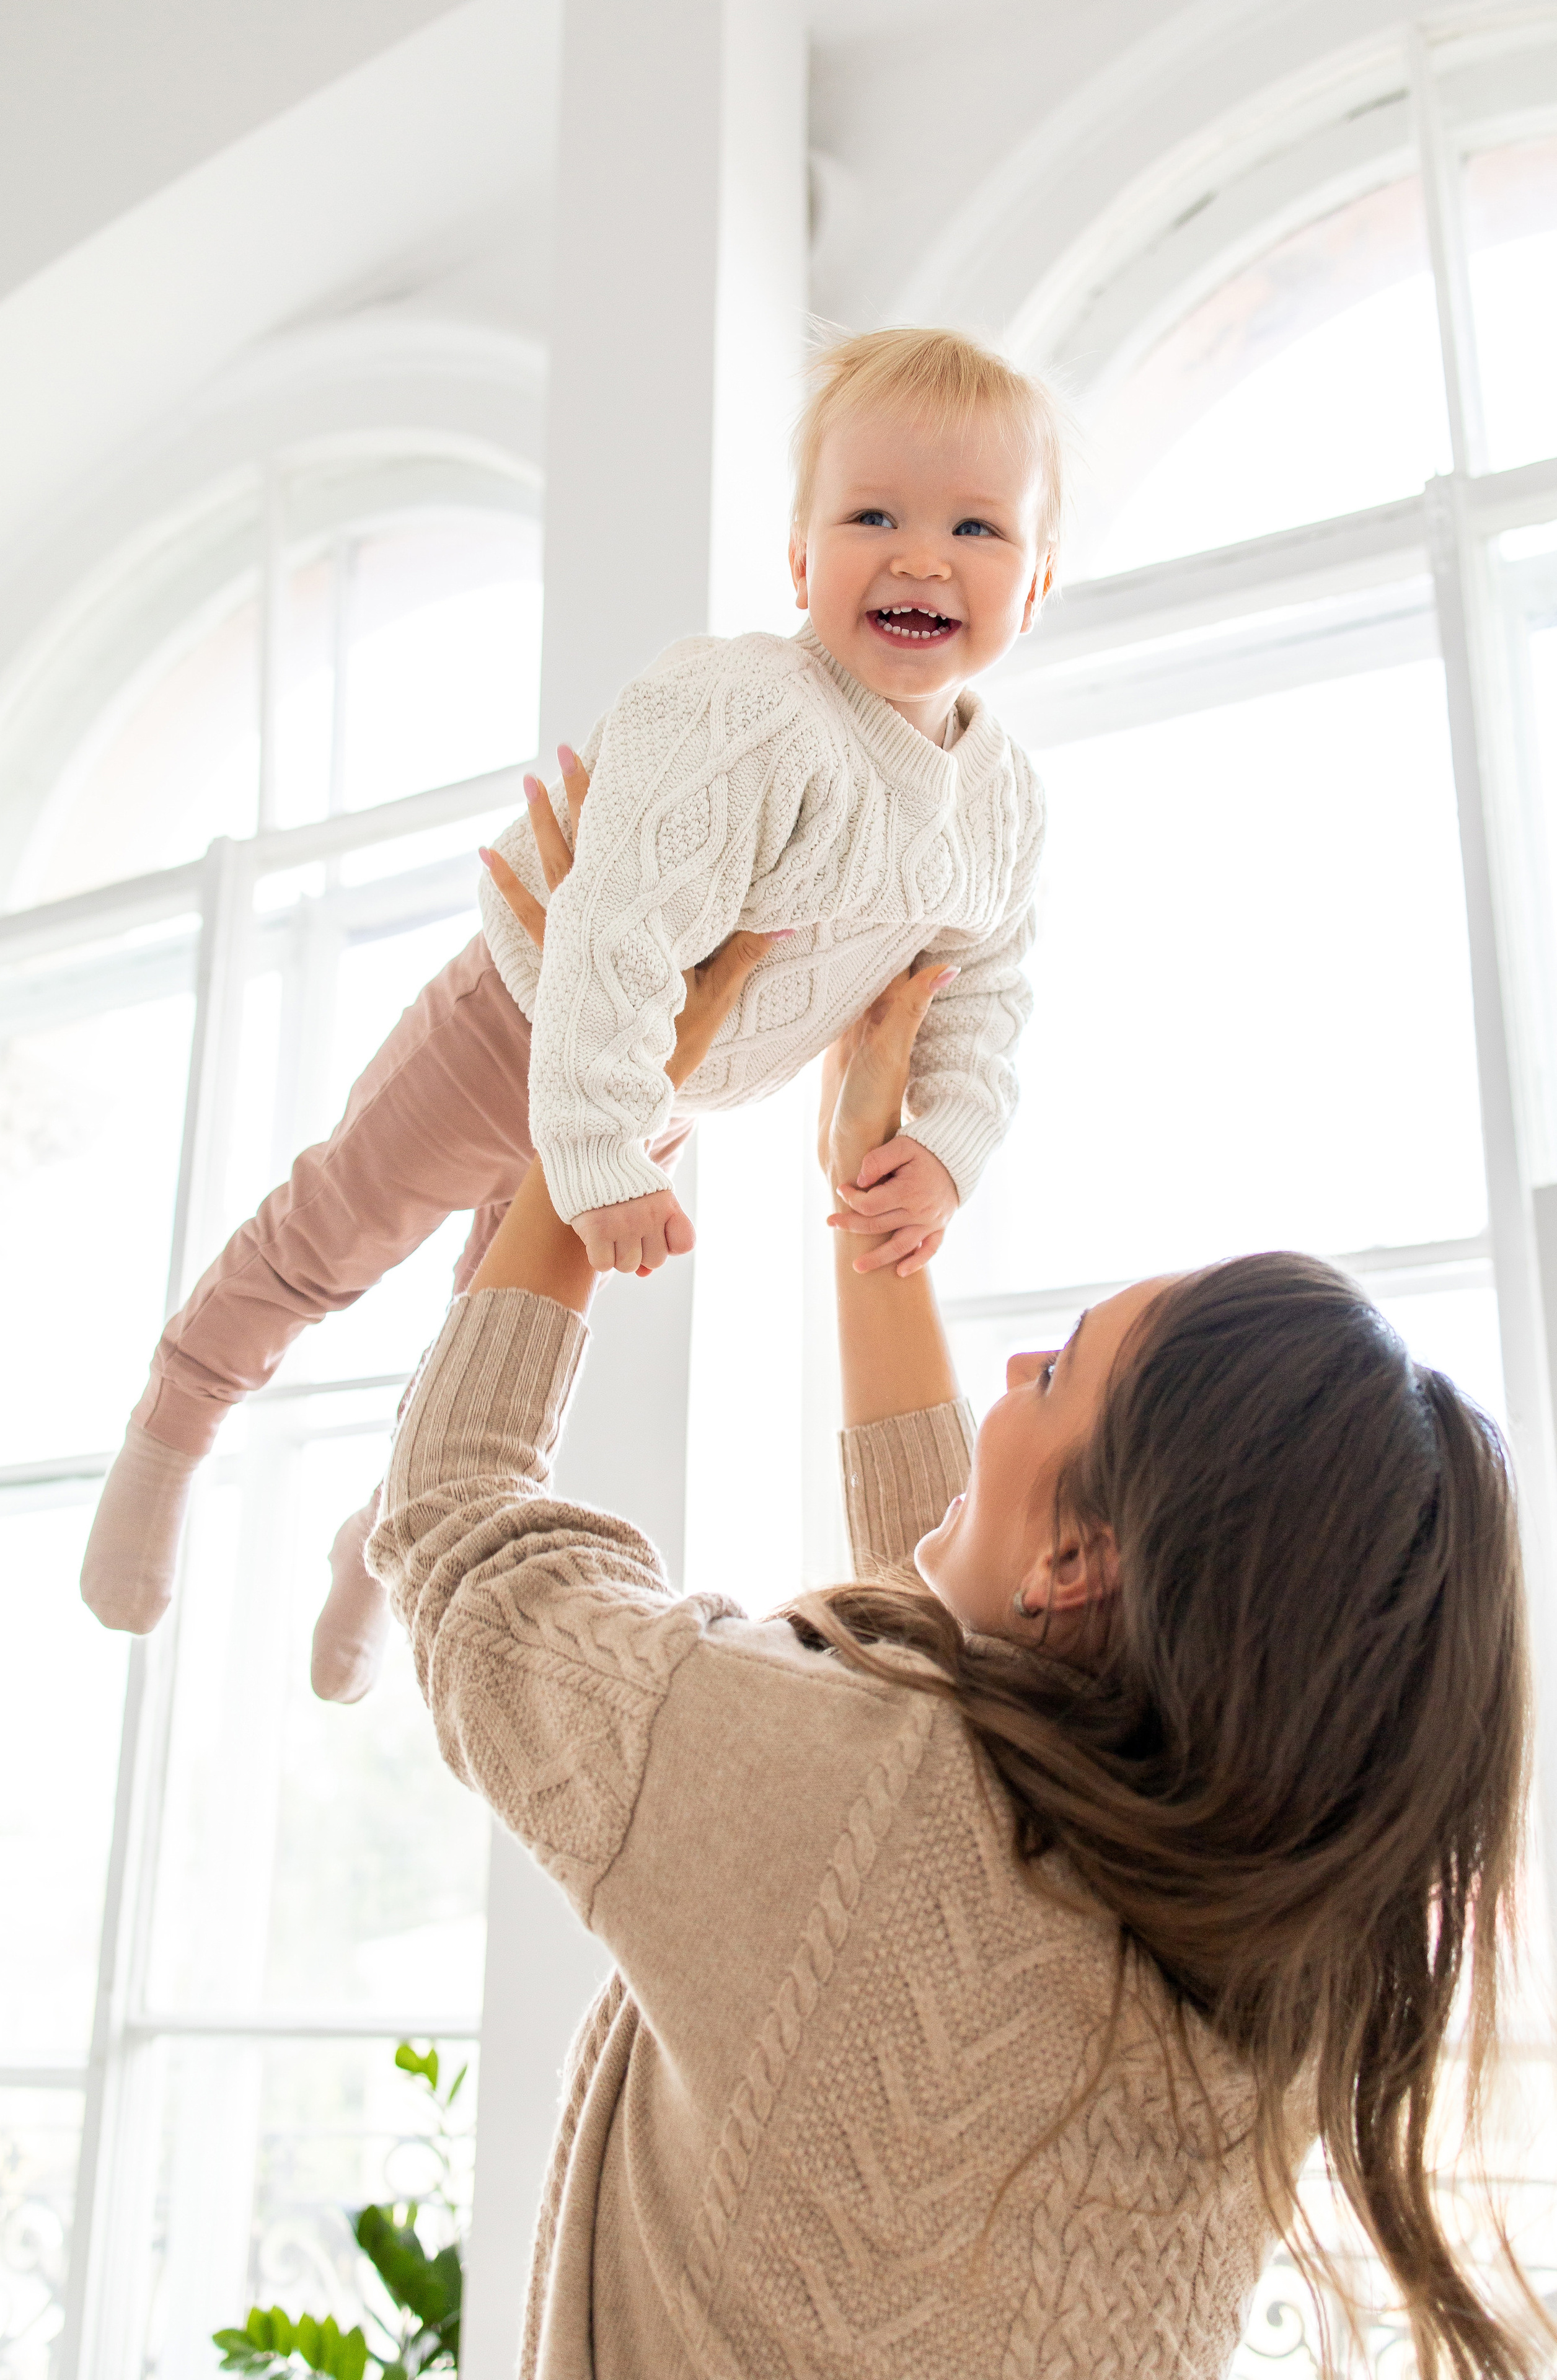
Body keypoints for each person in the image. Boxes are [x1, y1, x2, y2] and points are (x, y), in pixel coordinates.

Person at [363, 793, 1546, 2380]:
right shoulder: (1264, 1971)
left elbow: (457, 1526)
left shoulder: (848, 1795)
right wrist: (870, 1204)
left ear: (1082, 1563)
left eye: (1053, 1373)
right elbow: (957, 1740)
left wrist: (610, 1083)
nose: (1009, 1366)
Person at [79, 323, 1061, 1701]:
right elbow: (617, 929)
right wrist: (597, 1146)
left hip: (658, 1088)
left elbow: (981, 987)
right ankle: (176, 1419)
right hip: (521, 1023)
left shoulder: (1000, 801)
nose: (920, 558)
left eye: (974, 527)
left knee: (489, 1330)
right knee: (336, 1232)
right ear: (798, 560)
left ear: (1038, 580)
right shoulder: (743, 708)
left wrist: (944, 1144)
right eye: (871, 518)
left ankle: (378, 1543)